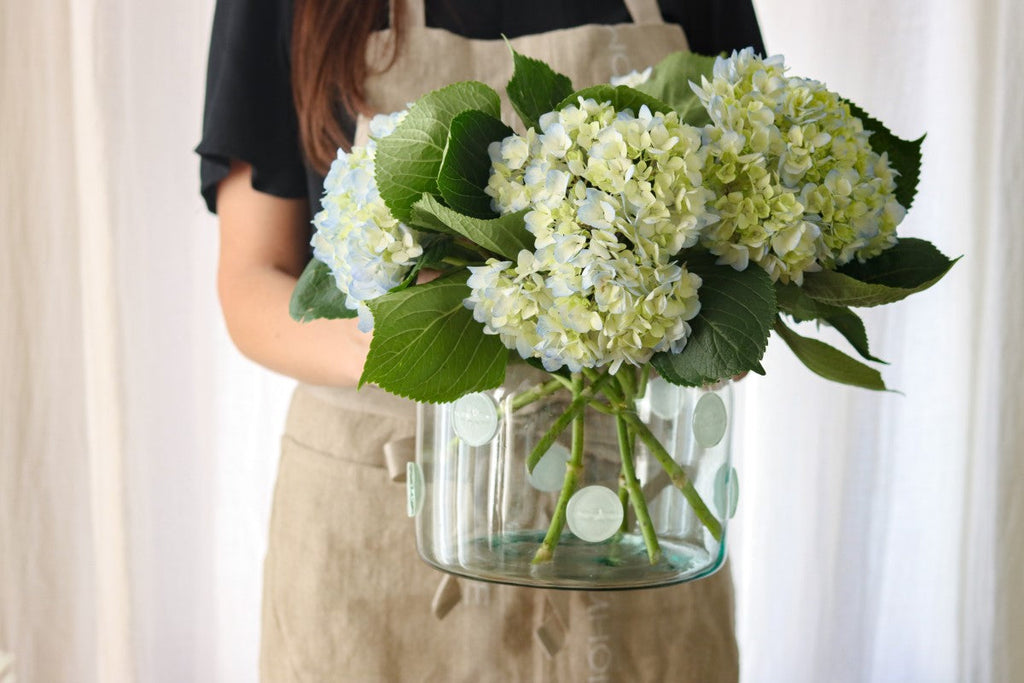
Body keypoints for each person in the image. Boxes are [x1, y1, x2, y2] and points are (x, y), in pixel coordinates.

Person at [197, 1, 765, 680]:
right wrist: (408, 337)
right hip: (372, 538)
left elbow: (748, 230)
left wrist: (676, 315)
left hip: (626, 530)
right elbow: (251, 282)